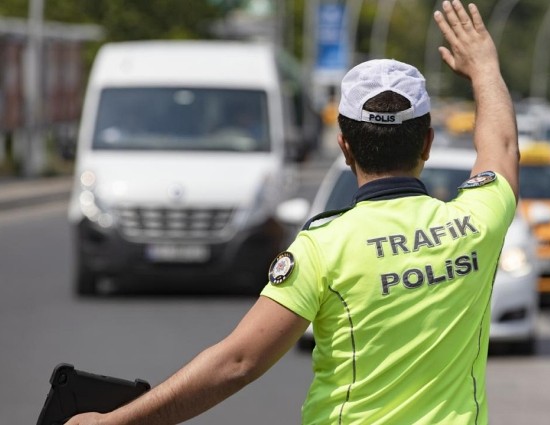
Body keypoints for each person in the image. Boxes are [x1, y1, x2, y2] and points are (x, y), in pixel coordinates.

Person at [66, 1, 519, 423]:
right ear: (427, 143)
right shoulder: (476, 221)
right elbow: (500, 146)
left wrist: (118, 421)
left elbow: (238, 363)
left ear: (344, 145)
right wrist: (484, 69)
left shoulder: (323, 247)